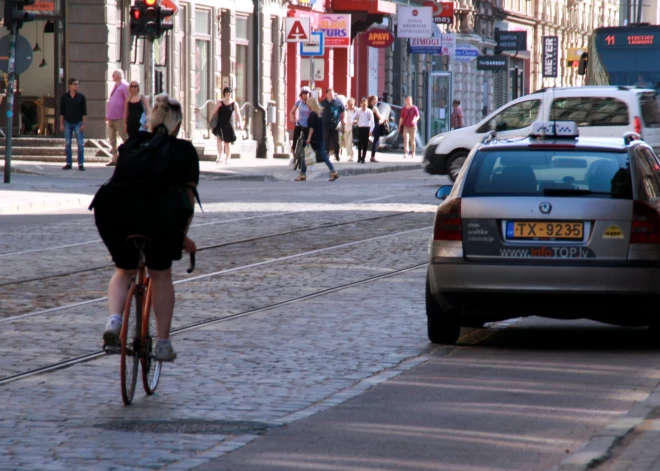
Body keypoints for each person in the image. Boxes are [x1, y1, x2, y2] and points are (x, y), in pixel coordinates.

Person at [98, 94, 199, 362]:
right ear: (177, 125)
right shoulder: (184, 151)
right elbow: (187, 202)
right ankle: (163, 343)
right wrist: (182, 237)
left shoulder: (132, 143)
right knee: (160, 274)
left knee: (123, 270)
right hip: (160, 218)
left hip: (115, 214)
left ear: (151, 121)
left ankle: (114, 321)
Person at [295, 97, 339, 182]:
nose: (307, 105)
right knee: (322, 156)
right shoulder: (318, 114)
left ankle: (303, 174)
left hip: (314, 139)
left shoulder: (312, 114)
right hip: (320, 138)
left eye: (308, 104)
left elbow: (312, 128)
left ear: (310, 104)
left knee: (306, 154)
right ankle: (333, 171)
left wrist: (308, 138)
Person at [59, 77, 87, 171]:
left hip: (78, 123)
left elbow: (84, 112)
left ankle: (81, 163)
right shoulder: (64, 97)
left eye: (77, 84)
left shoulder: (81, 97)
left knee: (80, 143)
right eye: (74, 84)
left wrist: (83, 124)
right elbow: (62, 112)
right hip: (67, 122)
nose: (76, 86)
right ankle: (68, 163)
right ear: (69, 85)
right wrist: (61, 124)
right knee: (67, 143)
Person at [211, 87, 243, 164]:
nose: (228, 94)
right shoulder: (220, 102)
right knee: (219, 140)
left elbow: (238, 113)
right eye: (227, 92)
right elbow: (213, 112)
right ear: (224, 93)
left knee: (227, 142)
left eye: (230, 92)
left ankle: (228, 158)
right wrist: (217, 106)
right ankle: (220, 156)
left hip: (229, 124)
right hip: (220, 123)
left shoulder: (234, 103)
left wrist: (240, 122)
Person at [106, 70, 129, 166]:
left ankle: (128, 156)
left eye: (114, 74)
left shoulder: (124, 86)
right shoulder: (115, 86)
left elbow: (127, 101)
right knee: (112, 139)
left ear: (119, 76)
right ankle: (115, 158)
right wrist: (107, 115)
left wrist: (125, 116)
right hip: (111, 117)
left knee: (124, 137)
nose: (112, 75)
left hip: (119, 117)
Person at [320, 88, 345, 162]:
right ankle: (326, 154)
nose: (332, 95)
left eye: (333, 93)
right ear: (326, 94)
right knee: (326, 139)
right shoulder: (323, 102)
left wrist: (344, 118)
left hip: (335, 124)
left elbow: (343, 111)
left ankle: (336, 154)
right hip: (326, 124)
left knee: (336, 140)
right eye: (330, 93)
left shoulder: (338, 102)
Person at [289, 86, 312, 153]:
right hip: (300, 124)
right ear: (301, 95)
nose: (305, 95)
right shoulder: (299, 102)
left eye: (306, 93)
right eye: (303, 93)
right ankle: (294, 155)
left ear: (309, 94)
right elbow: (292, 112)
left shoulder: (311, 102)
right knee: (295, 141)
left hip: (308, 125)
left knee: (309, 142)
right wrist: (292, 119)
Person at [354, 97, 374, 164]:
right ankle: (359, 157)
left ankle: (363, 158)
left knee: (365, 144)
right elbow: (353, 116)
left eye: (365, 104)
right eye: (363, 104)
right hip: (360, 128)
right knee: (360, 143)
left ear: (367, 104)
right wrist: (353, 121)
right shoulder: (358, 110)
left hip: (366, 128)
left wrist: (371, 130)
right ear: (360, 104)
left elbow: (372, 122)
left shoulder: (369, 111)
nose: (364, 106)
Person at [368, 95, 386, 163]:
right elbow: (379, 117)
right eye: (375, 99)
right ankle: (372, 157)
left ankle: (362, 157)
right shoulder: (374, 108)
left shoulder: (367, 107)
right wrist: (384, 119)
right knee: (375, 141)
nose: (376, 101)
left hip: (367, 125)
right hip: (375, 125)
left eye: (377, 99)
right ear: (372, 100)